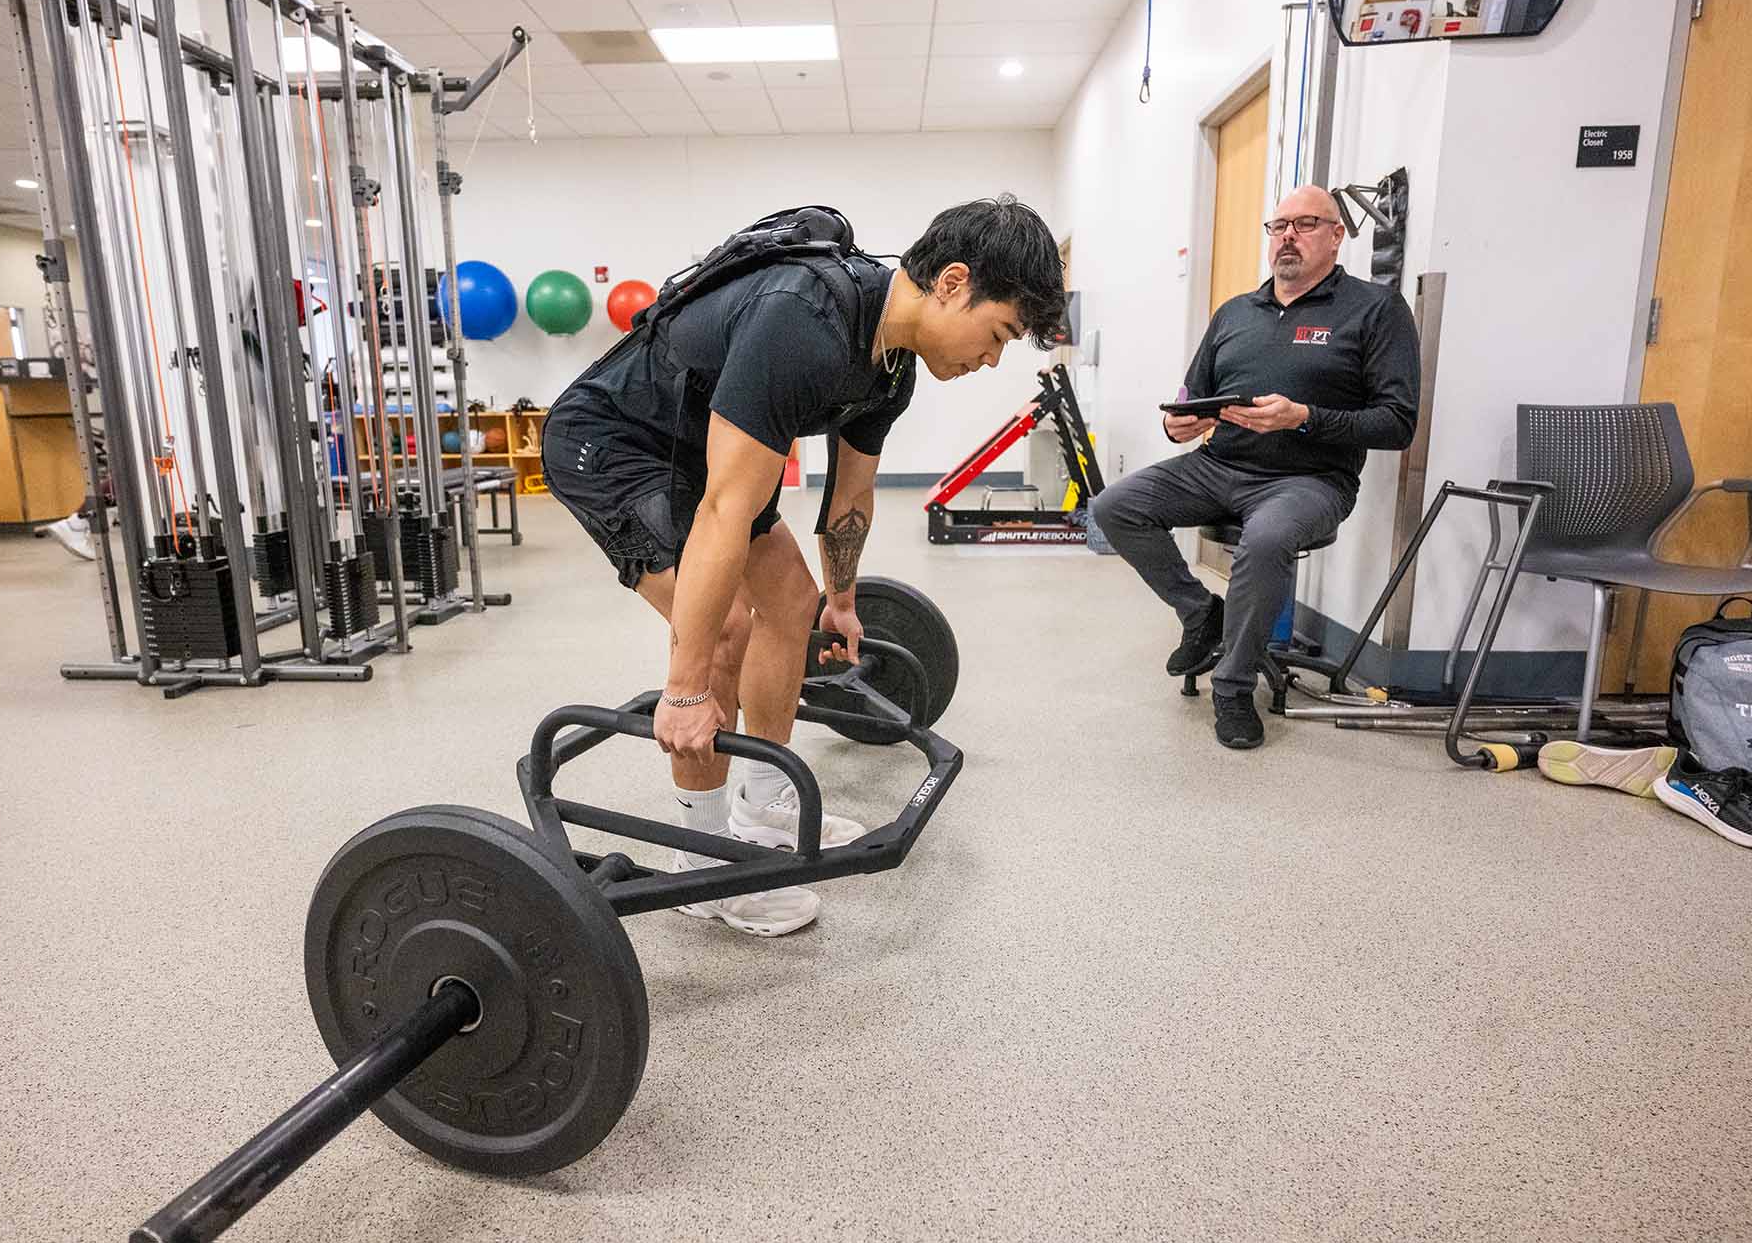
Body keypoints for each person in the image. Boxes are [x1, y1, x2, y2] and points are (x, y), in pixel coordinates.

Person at [542, 195, 1066, 936]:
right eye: (1000, 332)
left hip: (701, 454)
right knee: (723, 629)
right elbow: (727, 508)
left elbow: (850, 495)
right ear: (953, 283)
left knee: (791, 600)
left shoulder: (891, 369)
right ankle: (703, 865)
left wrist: (842, 601)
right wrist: (686, 689)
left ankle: (761, 803)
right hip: (615, 443)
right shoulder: (804, 319)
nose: (990, 358)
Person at [1090, 184, 1420, 750]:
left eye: (1306, 223)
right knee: (1113, 506)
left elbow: (1397, 423)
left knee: (1266, 540)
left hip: (1311, 480)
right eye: (1278, 226)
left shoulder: (1375, 309)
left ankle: (1233, 687)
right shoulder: (1236, 313)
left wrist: (1304, 418)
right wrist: (1177, 426)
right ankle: (1200, 614)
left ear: (1337, 235)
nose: (1287, 236)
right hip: (1219, 465)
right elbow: (1191, 397)